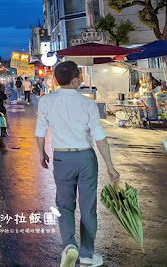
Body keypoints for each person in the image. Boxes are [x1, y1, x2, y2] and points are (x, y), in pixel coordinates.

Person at [35, 61, 119, 267]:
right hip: (85, 158)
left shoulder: (46, 102)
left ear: (56, 79)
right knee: (88, 207)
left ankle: (69, 247)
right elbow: (99, 137)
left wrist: (41, 154)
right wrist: (110, 165)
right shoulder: (88, 104)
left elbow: (39, 132)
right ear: (75, 80)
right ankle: (87, 255)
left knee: (64, 205)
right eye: (79, 77)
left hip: (62, 158)